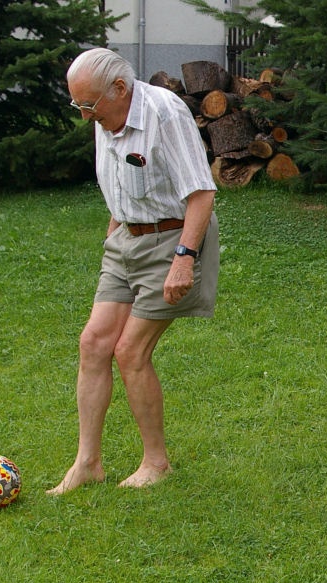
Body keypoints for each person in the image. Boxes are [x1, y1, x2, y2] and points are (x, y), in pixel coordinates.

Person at [48, 48, 219, 495]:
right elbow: (120, 185)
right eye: (77, 105)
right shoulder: (108, 116)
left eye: (88, 105)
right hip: (124, 238)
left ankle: (156, 462)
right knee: (93, 343)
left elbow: (201, 194)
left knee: (130, 351)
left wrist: (185, 258)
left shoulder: (165, 113)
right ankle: (88, 462)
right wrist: (114, 242)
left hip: (172, 238)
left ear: (120, 89)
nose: (85, 116)